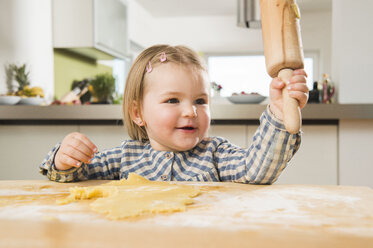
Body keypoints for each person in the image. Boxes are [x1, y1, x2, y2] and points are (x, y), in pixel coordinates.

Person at [40, 44, 308, 184]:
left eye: (200, 100)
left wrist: (279, 112)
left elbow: (258, 169)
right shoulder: (124, 158)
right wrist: (65, 158)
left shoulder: (215, 154)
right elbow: (75, 176)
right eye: (172, 100)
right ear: (137, 113)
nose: (190, 111)